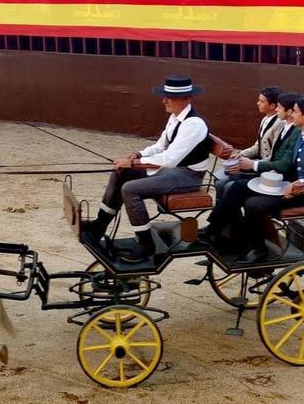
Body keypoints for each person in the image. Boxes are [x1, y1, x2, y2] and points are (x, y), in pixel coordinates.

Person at [81, 75, 212, 263]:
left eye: (169, 97)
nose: (164, 100)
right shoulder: (175, 118)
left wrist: (134, 163)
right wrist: (138, 155)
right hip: (172, 171)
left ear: (185, 98)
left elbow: (170, 159)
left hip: (187, 176)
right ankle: (99, 226)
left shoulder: (194, 124)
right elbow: (159, 147)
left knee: (130, 189)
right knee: (121, 173)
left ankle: (145, 244)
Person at [236, 96, 304, 263]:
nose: (292, 115)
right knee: (240, 190)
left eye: (296, 112)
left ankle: (259, 251)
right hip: (285, 186)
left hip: (301, 193)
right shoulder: (302, 134)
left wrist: (302, 182)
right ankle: (243, 239)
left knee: (253, 205)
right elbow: (289, 166)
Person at [202, 93, 300, 251]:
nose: (278, 111)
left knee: (232, 188)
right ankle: (220, 230)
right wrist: (244, 158)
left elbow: (281, 162)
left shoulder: (291, 130)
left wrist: (252, 165)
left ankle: (226, 233)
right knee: (231, 187)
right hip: (270, 172)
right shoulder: (284, 126)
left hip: (276, 178)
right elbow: (264, 150)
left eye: (280, 108)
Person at [218, 86, 287, 194]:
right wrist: (242, 154)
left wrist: (252, 164)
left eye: (262, 101)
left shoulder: (280, 124)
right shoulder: (265, 119)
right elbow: (258, 146)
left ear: (273, 106)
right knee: (221, 178)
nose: (257, 103)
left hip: (267, 169)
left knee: (224, 184)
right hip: (257, 163)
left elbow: (274, 156)